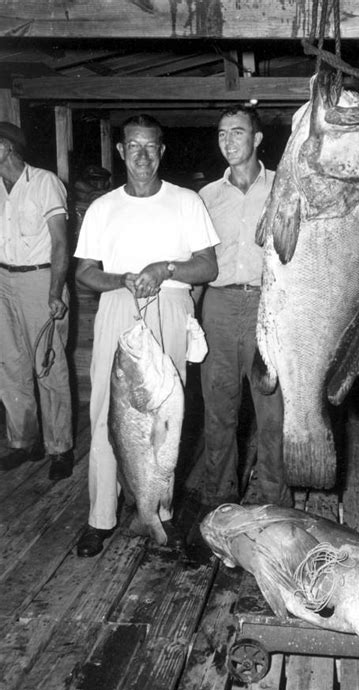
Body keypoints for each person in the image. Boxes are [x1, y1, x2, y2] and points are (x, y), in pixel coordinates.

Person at [74, 114, 219, 558]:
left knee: (164, 421)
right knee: (107, 414)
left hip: (171, 305)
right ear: (120, 151)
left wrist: (165, 269)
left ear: (162, 151)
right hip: (119, 305)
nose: (141, 154)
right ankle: (100, 516)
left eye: (150, 147)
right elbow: (84, 275)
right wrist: (123, 279)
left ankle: (159, 511)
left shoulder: (187, 201)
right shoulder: (103, 208)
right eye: (133, 146)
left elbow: (208, 267)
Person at [199, 105, 293, 509]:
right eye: (222, 134)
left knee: (272, 413)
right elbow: (198, 260)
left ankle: (276, 501)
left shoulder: (284, 187)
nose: (228, 142)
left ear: (257, 138)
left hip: (268, 307)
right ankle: (219, 498)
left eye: (237, 132)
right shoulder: (206, 197)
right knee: (219, 410)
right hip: (218, 306)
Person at [0, 122, 74, 481]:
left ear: (6, 148)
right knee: (9, 366)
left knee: (49, 365)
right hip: (2, 280)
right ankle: (22, 441)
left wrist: (55, 291)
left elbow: (61, 242)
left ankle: (60, 447)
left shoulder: (44, 183)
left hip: (40, 279)